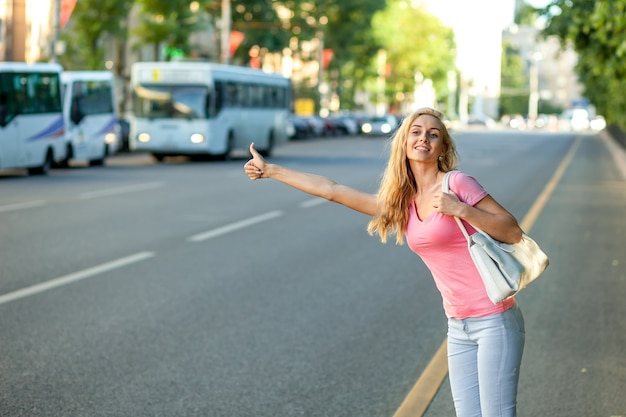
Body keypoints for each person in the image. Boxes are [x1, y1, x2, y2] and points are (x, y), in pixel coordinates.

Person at [244, 107, 526, 417]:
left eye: (434, 134)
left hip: (494, 321)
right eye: (416, 132)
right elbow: (333, 191)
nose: (424, 138)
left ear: (442, 147)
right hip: (458, 326)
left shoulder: (457, 183)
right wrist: (271, 171)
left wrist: (462, 210)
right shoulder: (403, 202)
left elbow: (512, 231)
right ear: (404, 142)